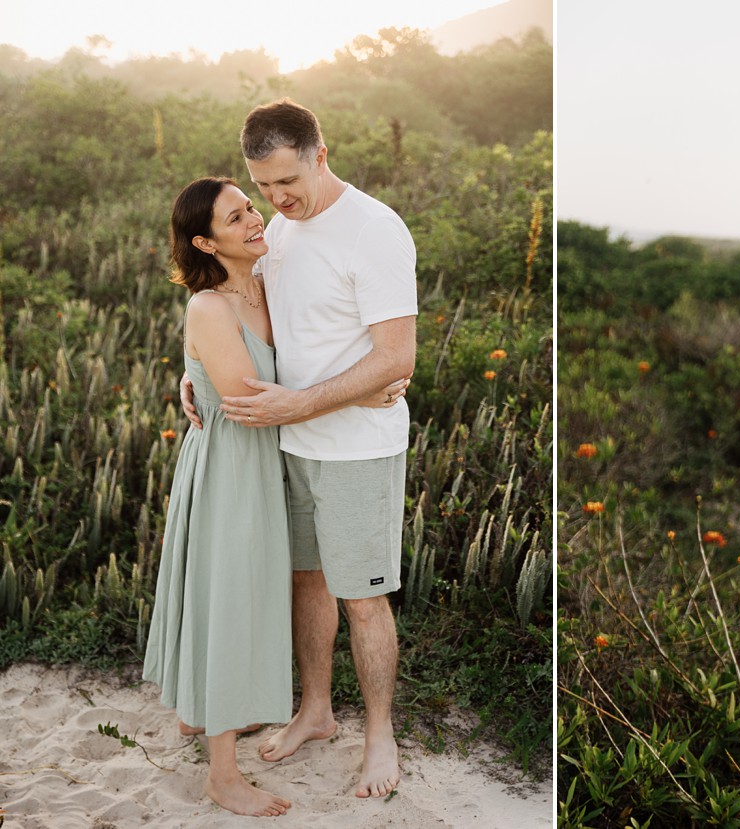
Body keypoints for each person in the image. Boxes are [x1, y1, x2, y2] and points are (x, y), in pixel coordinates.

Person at [185, 98, 418, 799]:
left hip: (356, 448)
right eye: (263, 187)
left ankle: (380, 735)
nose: (277, 198)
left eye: (288, 179)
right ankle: (315, 710)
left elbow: (395, 354)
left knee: (364, 600)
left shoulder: (374, 230)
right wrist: (192, 373)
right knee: (306, 582)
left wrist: (303, 403)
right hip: (287, 448)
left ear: (322, 153)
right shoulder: (278, 232)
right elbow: (236, 310)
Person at [147, 177, 400, 816]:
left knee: (253, 594)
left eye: (252, 206)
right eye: (237, 216)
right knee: (232, 598)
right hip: (234, 469)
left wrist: (190, 370)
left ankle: (205, 713)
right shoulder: (210, 305)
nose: (256, 218)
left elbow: (298, 356)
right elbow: (251, 401)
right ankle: (223, 775)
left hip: (275, 462)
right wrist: (360, 390)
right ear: (206, 241)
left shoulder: (268, 274)